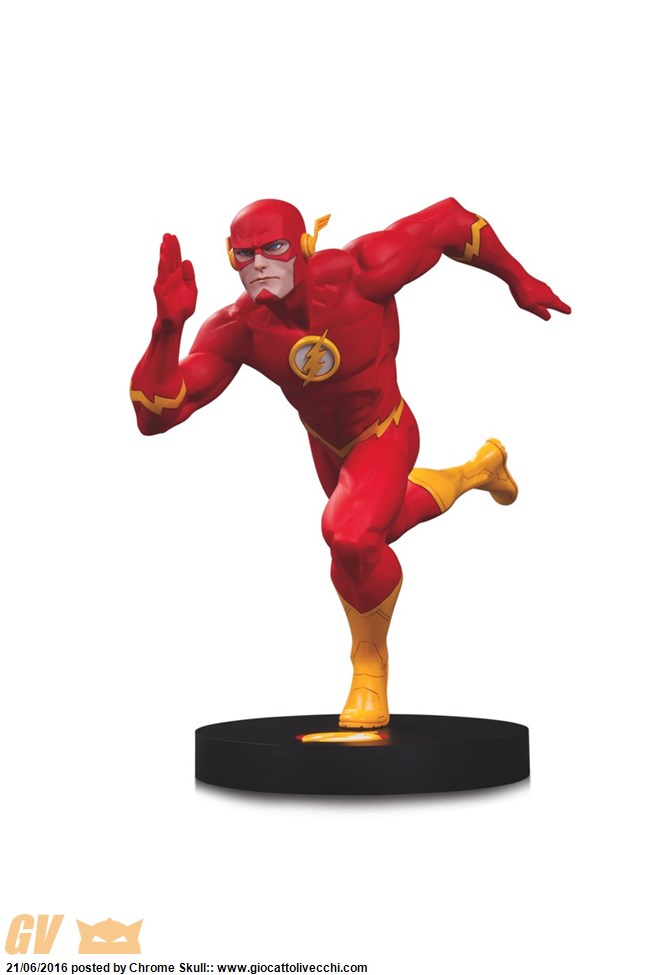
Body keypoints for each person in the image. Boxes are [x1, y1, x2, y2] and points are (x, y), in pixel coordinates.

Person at [131, 198, 570, 729]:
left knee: (352, 537)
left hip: (384, 430)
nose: (259, 264)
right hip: (327, 447)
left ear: (305, 245)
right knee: (376, 531)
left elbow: (450, 221)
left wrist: (518, 279)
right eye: (244, 255)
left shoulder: (362, 272)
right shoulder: (238, 328)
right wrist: (166, 328)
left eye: (274, 248)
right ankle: (477, 471)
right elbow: (157, 416)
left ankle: (369, 664)